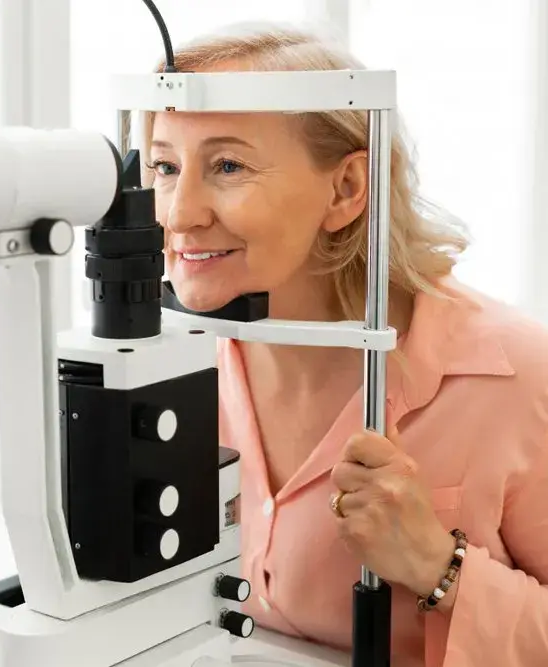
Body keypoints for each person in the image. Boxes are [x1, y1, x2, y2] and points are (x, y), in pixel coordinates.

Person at [146, 24, 548, 667]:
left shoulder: (518, 375)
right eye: (165, 166)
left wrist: (438, 567)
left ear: (347, 190)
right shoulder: (169, 366)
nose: (179, 211)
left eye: (227, 166)